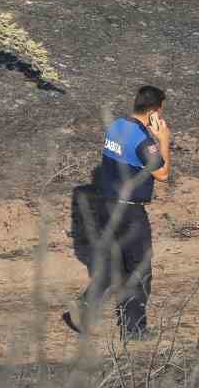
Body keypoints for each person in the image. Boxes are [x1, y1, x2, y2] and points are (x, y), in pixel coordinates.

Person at [64, 85, 171, 339]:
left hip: (106, 206)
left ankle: (84, 308)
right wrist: (164, 139)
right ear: (156, 110)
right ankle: (133, 330)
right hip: (130, 213)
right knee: (139, 270)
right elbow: (163, 174)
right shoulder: (144, 141)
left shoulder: (117, 127)